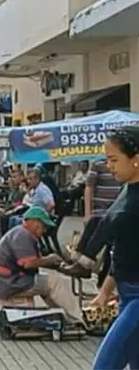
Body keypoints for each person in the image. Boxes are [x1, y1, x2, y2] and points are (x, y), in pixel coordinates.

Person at [57, 127, 139, 369]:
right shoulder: (127, 190)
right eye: (107, 159)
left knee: (105, 365)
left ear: (136, 159)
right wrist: (104, 292)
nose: (109, 166)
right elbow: (124, 250)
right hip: (127, 294)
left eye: (114, 159)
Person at [0, 206, 83, 325]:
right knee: (56, 282)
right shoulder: (23, 235)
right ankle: (77, 319)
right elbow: (28, 264)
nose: (44, 230)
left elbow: (32, 262)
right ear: (34, 222)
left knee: (48, 283)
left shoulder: (19, 232)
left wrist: (52, 263)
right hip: (11, 283)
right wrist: (49, 259)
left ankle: (64, 315)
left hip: (5, 281)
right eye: (43, 226)